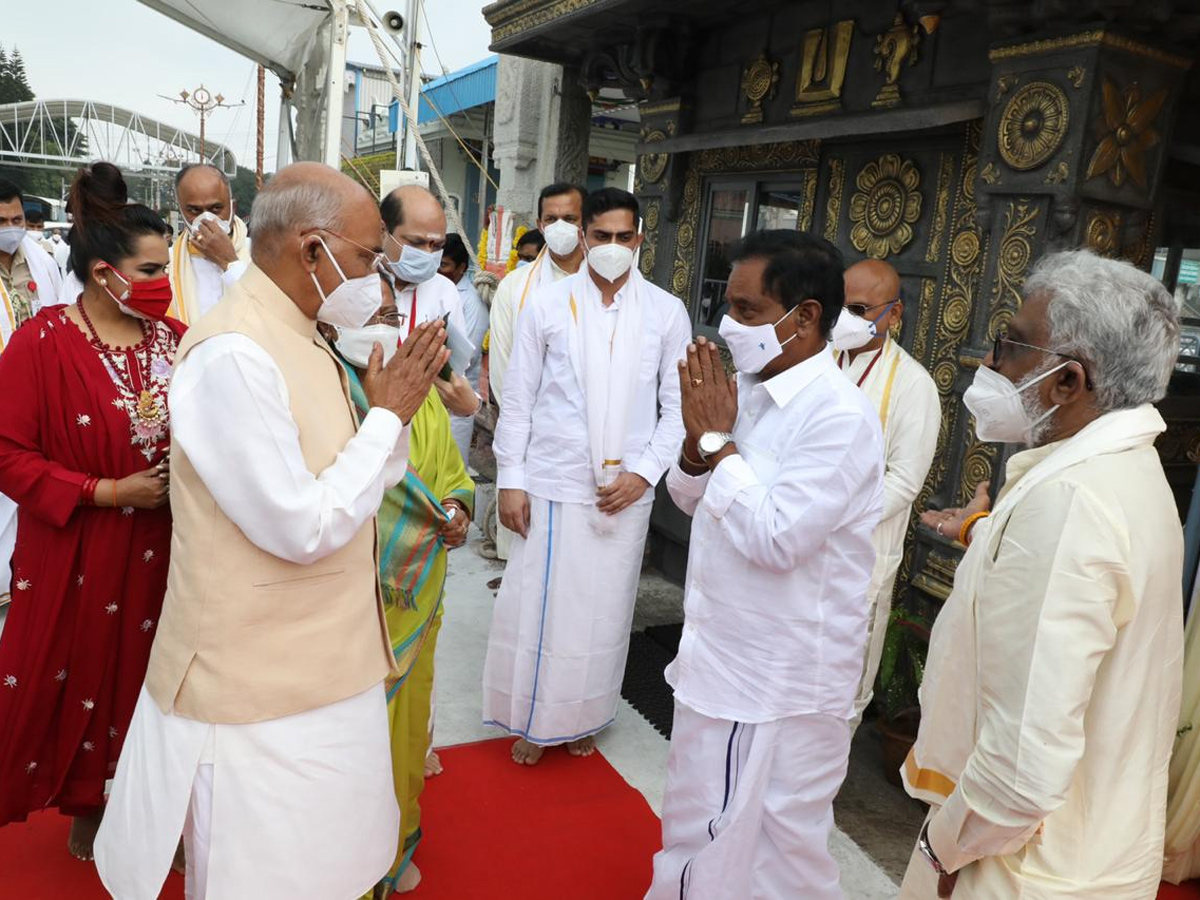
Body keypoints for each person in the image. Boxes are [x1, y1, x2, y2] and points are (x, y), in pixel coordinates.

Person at [94, 162, 450, 900]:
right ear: (312, 251)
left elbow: (362, 480)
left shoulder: (307, 333)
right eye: (365, 256)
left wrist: (388, 417)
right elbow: (301, 526)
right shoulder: (234, 353)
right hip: (256, 694)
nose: (376, 275)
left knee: (327, 871)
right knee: (259, 881)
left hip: (326, 666)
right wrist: (388, 416)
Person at [903, 250, 1183, 899]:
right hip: (1085, 852)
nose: (990, 363)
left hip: (1019, 871)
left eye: (1011, 344)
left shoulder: (1070, 502)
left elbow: (1021, 774)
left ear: (1067, 381)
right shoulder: (1123, 474)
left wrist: (942, 850)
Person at [646, 230, 883, 899]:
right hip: (724, 657)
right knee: (706, 827)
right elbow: (691, 498)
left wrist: (718, 443)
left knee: (772, 848)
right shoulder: (747, 386)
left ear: (805, 318)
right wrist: (698, 449)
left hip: (777, 679)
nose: (729, 325)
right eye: (730, 306)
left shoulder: (838, 416)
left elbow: (778, 537)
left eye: (748, 312)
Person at [0, 162, 179, 861]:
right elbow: (8, 453)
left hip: (170, 549)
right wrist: (108, 492)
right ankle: (89, 802)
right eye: (152, 267)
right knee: (80, 675)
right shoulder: (41, 343)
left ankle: (155, 805)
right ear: (105, 272)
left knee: (154, 676)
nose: (163, 281)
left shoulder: (180, 340)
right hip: (79, 550)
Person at [483, 187, 691, 765]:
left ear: (640, 240)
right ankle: (533, 717)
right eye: (602, 236)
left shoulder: (665, 312)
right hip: (552, 481)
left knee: (603, 610)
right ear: (584, 237)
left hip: (623, 493)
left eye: (625, 237)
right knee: (541, 606)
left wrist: (644, 475)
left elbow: (674, 412)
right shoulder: (546, 306)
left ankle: (583, 717)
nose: (613, 247)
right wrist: (511, 480)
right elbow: (518, 402)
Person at [324, 274, 474, 897]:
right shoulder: (323, 388)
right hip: (343, 603)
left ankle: (397, 840)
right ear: (333, 325)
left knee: (407, 726)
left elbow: (454, 475)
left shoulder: (422, 391)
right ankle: (346, 867)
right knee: (349, 740)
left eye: (394, 310)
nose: (390, 322)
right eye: (377, 311)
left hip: (417, 591)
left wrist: (460, 510)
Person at [831, 259, 940, 726]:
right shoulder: (821, 361)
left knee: (844, 683)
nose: (846, 321)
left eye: (859, 309)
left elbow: (904, 481)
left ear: (894, 315)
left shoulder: (914, 385)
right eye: (840, 307)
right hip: (799, 548)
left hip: (860, 551)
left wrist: (834, 517)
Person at [485, 183, 587, 561]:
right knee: (529, 560)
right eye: (552, 218)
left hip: (590, 448)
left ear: (584, 223)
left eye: (570, 218)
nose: (560, 226)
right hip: (532, 446)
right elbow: (504, 375)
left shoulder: (608, 282)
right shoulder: (515, 288)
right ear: (541, 225)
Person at [0, 180, 66, 604]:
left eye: (17, 219)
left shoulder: (41, 260)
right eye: (2, 221)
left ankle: (17, 572)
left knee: (27, 483)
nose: (11, 228)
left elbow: (59, 314)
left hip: (38, 389)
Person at [381, 185, 479, 422]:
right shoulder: (357, 281)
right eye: (416, 243)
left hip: (423, 426)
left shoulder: (444, 290)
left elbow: (455, 372)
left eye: (437, 246)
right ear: (382, 231)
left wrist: (468, 404)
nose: (427, 253)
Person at [167, 163, 251, 325]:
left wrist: (229, 262)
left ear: (233, 206)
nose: (206, 219)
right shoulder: (167, 264)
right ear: (181, 210)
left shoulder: (260, 254)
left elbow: (269, 313)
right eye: (194, 211)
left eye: (216, 208)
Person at [437, 233, 489, 463]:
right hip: (432, 397)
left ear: (461, 268)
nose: (438, 270)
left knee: (452, 469)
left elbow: (468, 355)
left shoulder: (473, 302)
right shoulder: (437, 290)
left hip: (457, 396)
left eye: (444, 265)